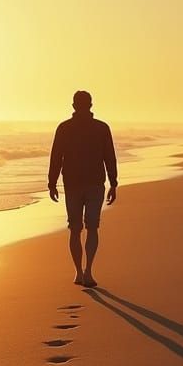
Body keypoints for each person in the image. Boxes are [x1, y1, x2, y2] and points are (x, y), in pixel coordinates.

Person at [48, 90, 118, 288]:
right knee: (92, 227)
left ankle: (79, 272)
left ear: (73, 106)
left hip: (73, 184)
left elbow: (56, 158)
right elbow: (110, 157)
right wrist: (113, 183)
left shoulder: (64, 128)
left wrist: (52, 182)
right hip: (94, 183)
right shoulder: (102, 128)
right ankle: (88, 271)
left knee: (75, 229)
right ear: (91, 105)